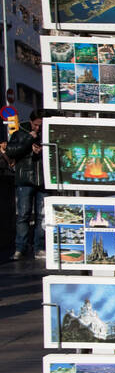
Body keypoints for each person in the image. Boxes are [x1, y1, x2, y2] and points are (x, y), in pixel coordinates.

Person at [3, 106, 44, 260]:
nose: (38, 128)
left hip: (42, 179)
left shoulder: (46, 133)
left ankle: (39, 247)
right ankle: (20, 247)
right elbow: (11, 151)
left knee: (41, 215)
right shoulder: (21, 133)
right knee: (23, 215)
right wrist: (29, 141)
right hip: (25, 178)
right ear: (31, 122)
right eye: (35, 124)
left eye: (40, 125)